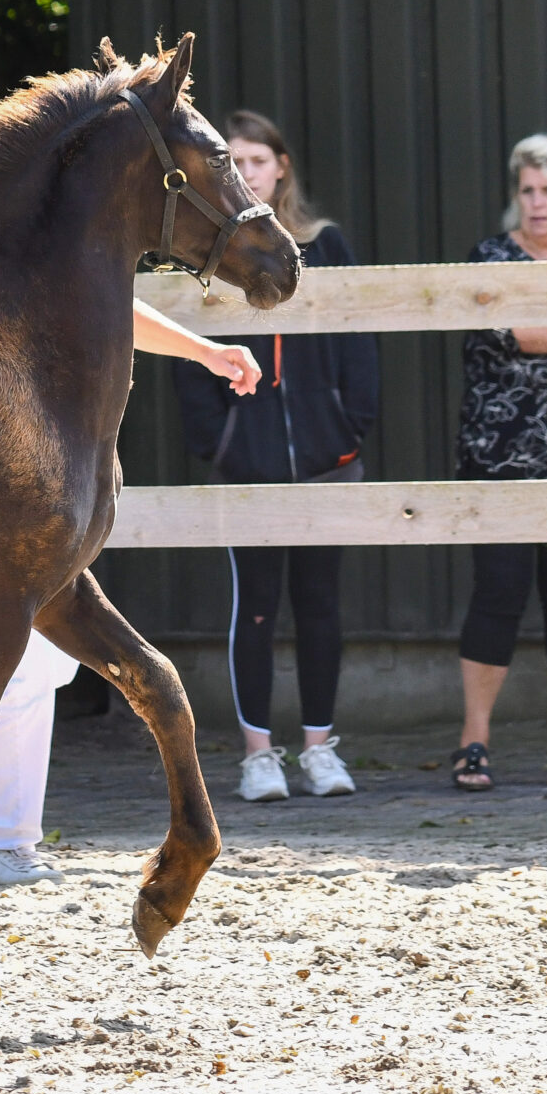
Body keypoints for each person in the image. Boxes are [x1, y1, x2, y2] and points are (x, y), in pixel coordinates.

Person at [0, 66, 267, 889]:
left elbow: (104, 305)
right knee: (32, 654)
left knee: (47, 658)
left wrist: (205, 352)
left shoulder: (25, 211)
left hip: (11, 469)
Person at [172, 110, 378, 803]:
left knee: (320, 605)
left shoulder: (326, 244)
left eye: (257, 160)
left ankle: (319, 750)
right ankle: (258, 756)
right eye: (234, 162)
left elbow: (359, 340)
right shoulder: (210, 255)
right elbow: (189, 355)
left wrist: (349, 428)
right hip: (247, 467)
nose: (248, 172)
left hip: (328, 461)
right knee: (255, 608)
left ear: (281, 167)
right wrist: (222, 441)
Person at [444, 133, 547, 792]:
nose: (537, 203)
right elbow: (495, 332)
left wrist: (533, 334)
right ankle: (473, 739)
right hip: (499, 459)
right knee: (499, 592)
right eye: (527, 190)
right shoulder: (491, 258)